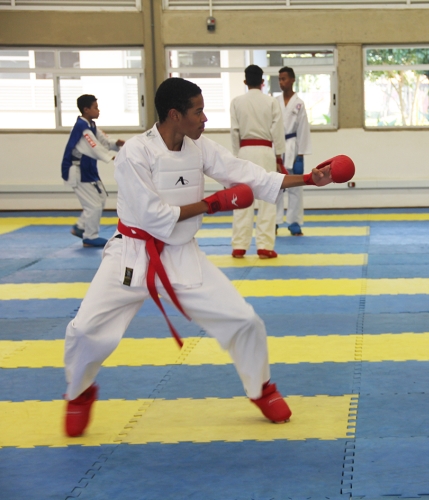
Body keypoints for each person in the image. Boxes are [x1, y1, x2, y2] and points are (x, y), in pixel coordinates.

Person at [63, 77, 354, 437]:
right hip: (131, 254)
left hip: (182, 254)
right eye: (198, 111)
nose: (205, 119)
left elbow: (249, 175)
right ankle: (78, 394)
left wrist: (310, 178)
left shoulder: (199, 148)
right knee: (84, 330)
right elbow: (155, 216)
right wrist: (214, 203)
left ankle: (261, 388)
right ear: (175, 114)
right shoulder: (135, 153)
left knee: (244, 319)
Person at [230, 65, 286, 259]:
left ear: (245, 81)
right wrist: (279, 156)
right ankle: (264, 246)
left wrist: (236, 156)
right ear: (262, 82)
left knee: (242, 198)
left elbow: (235, 131)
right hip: (265, 152)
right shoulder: (271, 102)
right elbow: (278, 130)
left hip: (244, 152)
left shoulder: (236, 102)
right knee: (267, 199)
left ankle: (239, 246)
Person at [61, 94, 124, 247]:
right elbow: (94, 147)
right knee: (93, 205)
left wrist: (116, 143)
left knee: (100, 197)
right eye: (95, 107)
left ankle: (81, 227)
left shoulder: (91, 125)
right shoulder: (82, 128)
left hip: (88, 170)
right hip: (77, 172)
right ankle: (90, 236)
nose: (98, 110)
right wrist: (111, 157)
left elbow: (102, 141)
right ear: (86, 109)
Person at [274, 66, 312, 236]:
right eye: (280, 79)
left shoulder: (299, 104)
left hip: (293, 147)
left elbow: (303, 129)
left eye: (284, 79)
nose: (282, 82)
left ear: (292, 80)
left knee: (295, 188)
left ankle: (294, 223)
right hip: (276, 148)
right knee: (275, 187)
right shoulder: (274, 102)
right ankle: (273, 221)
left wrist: (301, 155)